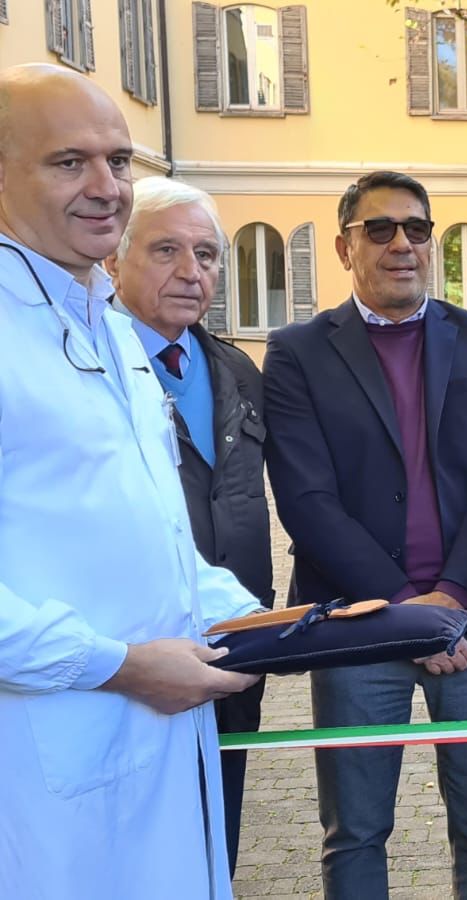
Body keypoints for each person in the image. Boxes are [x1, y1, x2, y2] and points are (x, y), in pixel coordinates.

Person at [0, 63, 263, 898]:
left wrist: (264, 622)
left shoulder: (111, 331)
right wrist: (115, 665)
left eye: (119, 160)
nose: (107, 186)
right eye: (69, 161)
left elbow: (157, 533)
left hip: (158, 757)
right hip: (41, 774)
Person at [262, 170, 467, 899]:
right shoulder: (296, 353)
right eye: (379, 229)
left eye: (417, 228)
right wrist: (407, 613)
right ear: (345, 245)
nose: (402, 244)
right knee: (354, 829)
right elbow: (306, 501)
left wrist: (449, 599)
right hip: (357, 623)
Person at [105, 175, 274, 875]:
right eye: (166, 250)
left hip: (233, 648)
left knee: (217, 837)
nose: (192, 271)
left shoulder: (234, 365)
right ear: (114, 260)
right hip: (134, 656)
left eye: (206, 255)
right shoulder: (93, 361)